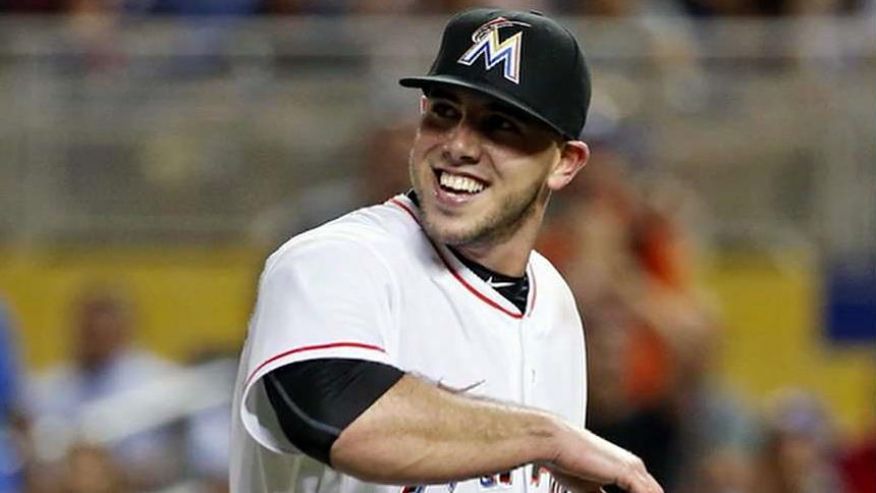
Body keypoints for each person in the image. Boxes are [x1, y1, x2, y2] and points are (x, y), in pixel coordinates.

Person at [231, 8, 663, 493]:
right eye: (444, 112)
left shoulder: (554, 303)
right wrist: (548, 438)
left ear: (564, 162)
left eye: (499, 125)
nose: (458, 146)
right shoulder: (334, 260)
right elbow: (337, 415)